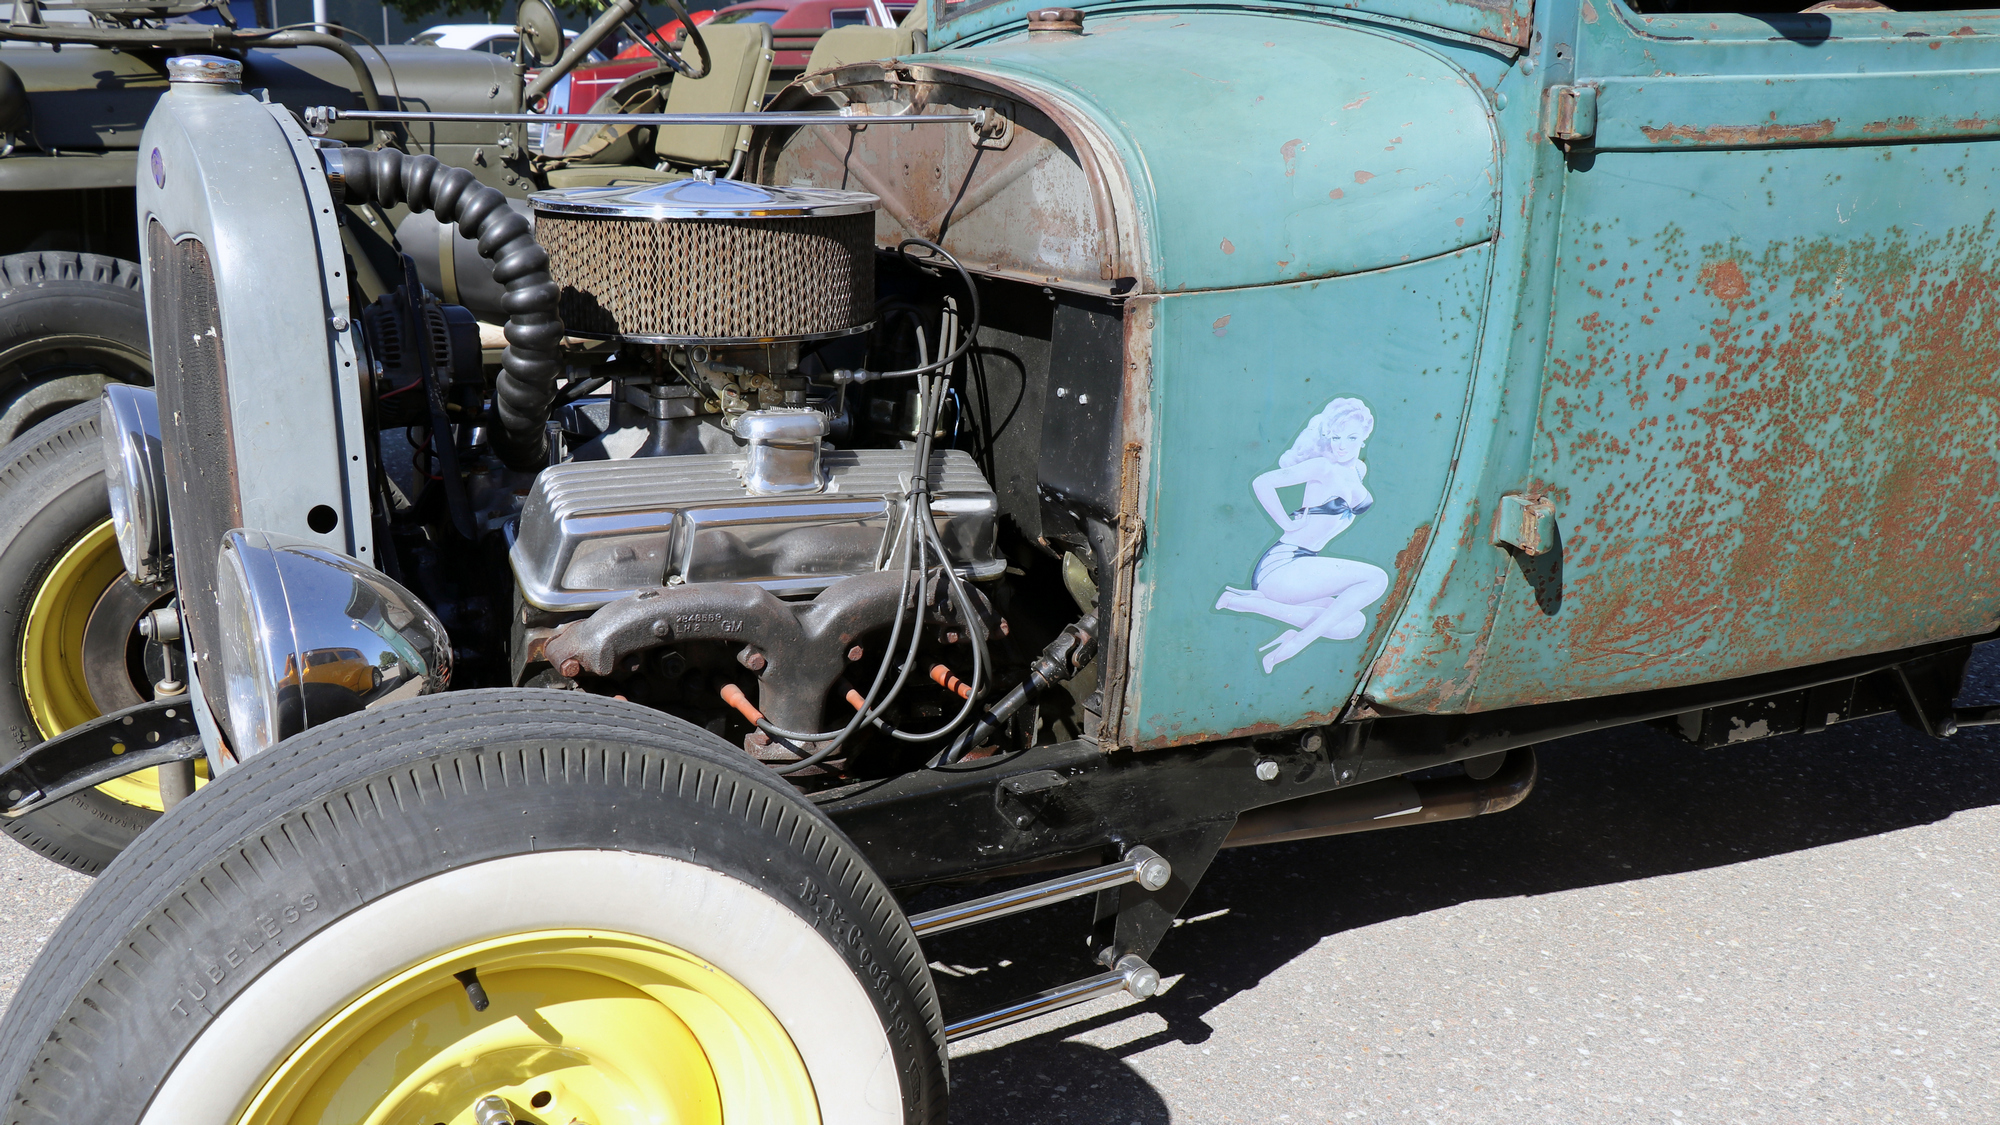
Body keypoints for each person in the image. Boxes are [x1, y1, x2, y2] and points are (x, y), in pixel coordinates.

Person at [1214, 397, 1391, 674]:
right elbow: (1263, 482)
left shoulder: (1358, 470)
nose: (1342, 445)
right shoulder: (1323, 467)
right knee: (1377, 578)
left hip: (1304, 570)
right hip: (1283, 566)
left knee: (1353, 623)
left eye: (1351, 437)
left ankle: (1253, 605)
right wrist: (1287, 524)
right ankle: (1295, 644)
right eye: (1336, 437)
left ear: (1364, 437)